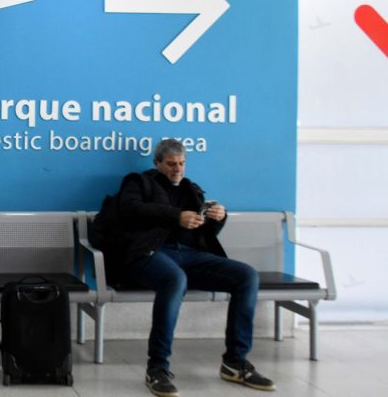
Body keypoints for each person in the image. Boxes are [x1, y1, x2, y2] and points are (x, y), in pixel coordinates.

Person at [117, 138, 275, 397]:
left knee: (246, 276)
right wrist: (175, 216)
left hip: (190, 255)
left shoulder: (192, 189)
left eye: (181, 163)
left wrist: (218, 218)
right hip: (150, 254)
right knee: (174, 279)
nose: (177, 169)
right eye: (171, 164)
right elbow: (129, 210)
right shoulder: (138, 182)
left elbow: (204, 234)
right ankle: (157, 367)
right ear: (157, 163)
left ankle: (235, 362)